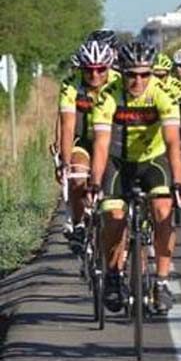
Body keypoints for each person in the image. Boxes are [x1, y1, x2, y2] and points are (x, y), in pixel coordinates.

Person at [88, 41, 181, 314]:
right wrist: (95, 182)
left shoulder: (163, 93)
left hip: (153, 161)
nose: (138, 80)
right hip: (118, 162)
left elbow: (172, 143)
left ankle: (162, 281)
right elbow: (100, 144)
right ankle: (113, 274)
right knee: (113, 216)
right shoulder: (108, 96)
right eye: (132, 74)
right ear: (121, 73)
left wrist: (179, 181)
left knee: (162, 208)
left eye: (145, 74)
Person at [57, 40, 119, 252]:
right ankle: (79, 224)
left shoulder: (119, 83)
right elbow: (67, 127)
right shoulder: (70, 86)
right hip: (83, 140)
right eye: (89, 70)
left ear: (108, 67)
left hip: (112, 141)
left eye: (100, 69)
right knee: (76, 174)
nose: (94, 75)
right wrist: (64, 163)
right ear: (81, 68)